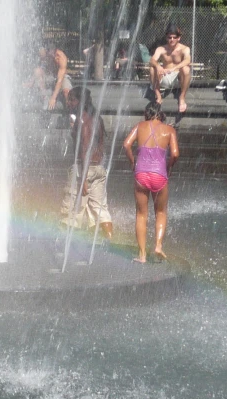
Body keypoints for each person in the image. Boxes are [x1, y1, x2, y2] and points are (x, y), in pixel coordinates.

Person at [122, 102, 179, 263]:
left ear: (146, 113)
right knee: (160, 212)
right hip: (159, 175)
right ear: (161, 114)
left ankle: (142, 255)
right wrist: (168, 167)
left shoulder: (140, 126)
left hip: (141, 175)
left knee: (141, 215)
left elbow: (126, 144)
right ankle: (158, 246)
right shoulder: (169, 130)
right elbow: (175, 154)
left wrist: (133, 162)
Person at [60, 86, 113, 239]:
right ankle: (109, 239)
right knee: (101, 209)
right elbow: (100, 144)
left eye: (71, 99)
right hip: (98, 168)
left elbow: (85, 148)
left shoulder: (82, 120)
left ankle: (64, 243)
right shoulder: (97, 118)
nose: (68, 102)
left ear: (79, 101)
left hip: (84, 169)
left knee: (71, 209)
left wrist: (83, 179)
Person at [149, 23, 192, 113]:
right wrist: (158, 66)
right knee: (152, 68)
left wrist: (174, 68)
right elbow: (152, 60)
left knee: (186, 69)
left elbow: (188, 60)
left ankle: (182, 97)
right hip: (164, 77)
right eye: (169, 37)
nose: (171, 40)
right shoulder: (161, 49)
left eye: (174, 37)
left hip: (178, 79)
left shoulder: (185, 49)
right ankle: (159, 97)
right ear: (166, 38)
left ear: (178, 38)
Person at [26, 45, 73, 110]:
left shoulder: (62, 58)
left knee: (67, 91)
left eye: (53, 56)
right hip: (49, 76)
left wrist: (53, 98)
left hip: (62, 77)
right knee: (39, 75)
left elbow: (60, 80)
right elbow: (38, 71)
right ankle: (45, 100)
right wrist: (31, 81)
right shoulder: (45, 56)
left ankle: (69, 111)